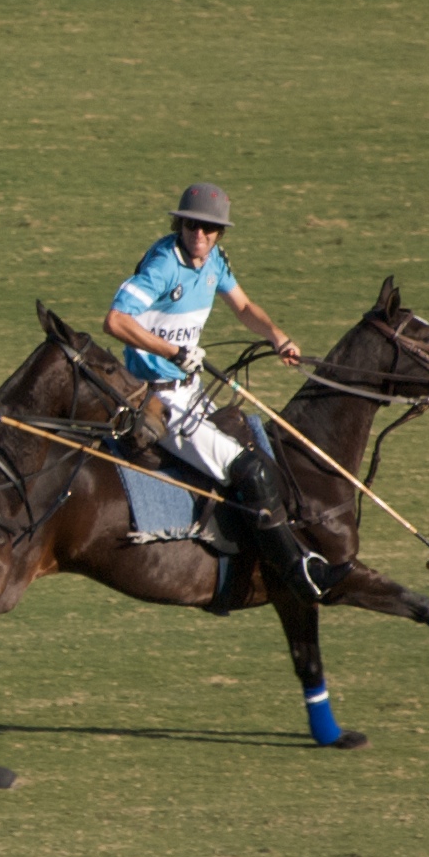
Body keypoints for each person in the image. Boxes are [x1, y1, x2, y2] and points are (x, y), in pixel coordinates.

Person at [102, 183, 351, 600]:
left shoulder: (214, 260)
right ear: (180, 223)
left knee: (252, 446)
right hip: (156, 396)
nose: (201, 235)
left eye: (211, 228)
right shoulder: (164, 264)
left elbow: (243, 307)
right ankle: (294, 569)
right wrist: (173, 351)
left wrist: (276, 336)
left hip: (191, 387)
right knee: (248, 469)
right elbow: (114, 321)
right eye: (193, 225)